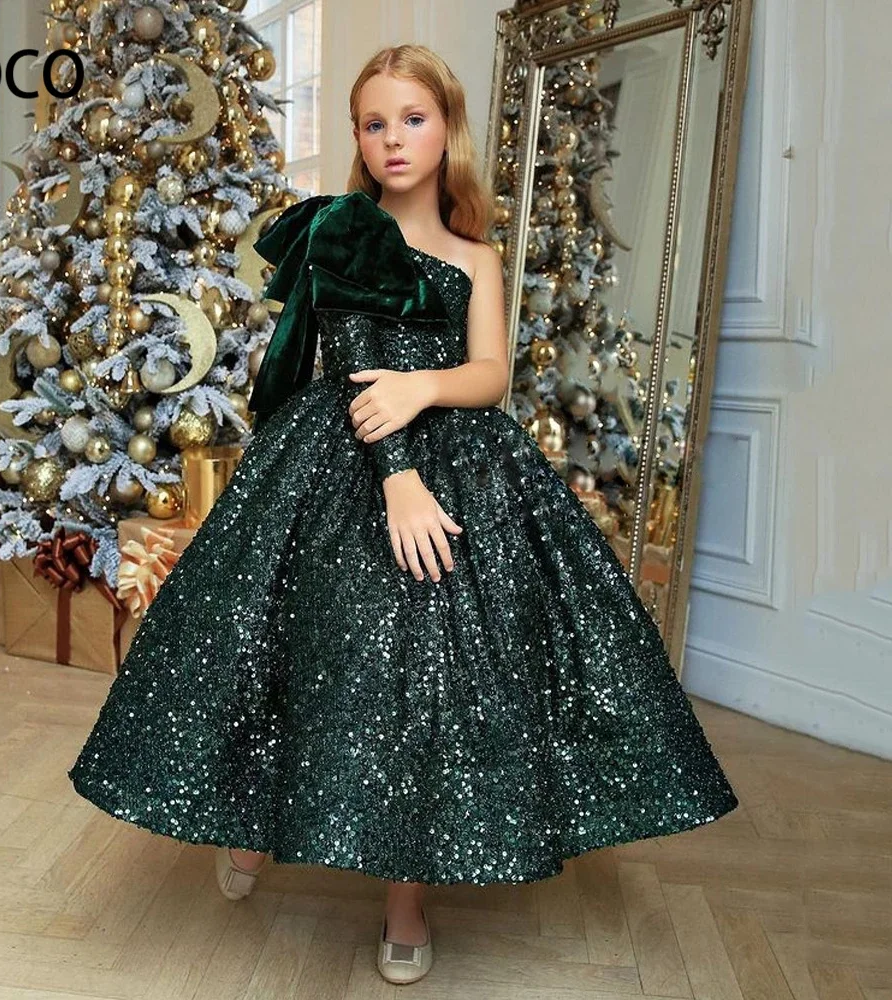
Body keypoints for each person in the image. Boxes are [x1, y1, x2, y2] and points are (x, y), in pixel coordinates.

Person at [68, 44, 739, 986]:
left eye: (412, 119)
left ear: (447, 128)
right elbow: (349, 363)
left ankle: (405, 900)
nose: (393, 139)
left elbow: (491, 375)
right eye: (374, 123)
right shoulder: (342, 233)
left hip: (462, 457)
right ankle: (253, 825)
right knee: (304, 647)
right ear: (357, 136)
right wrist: (397, 479)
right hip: (346, 461)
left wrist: (425, 388)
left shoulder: (477, 257)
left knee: (430, 667)